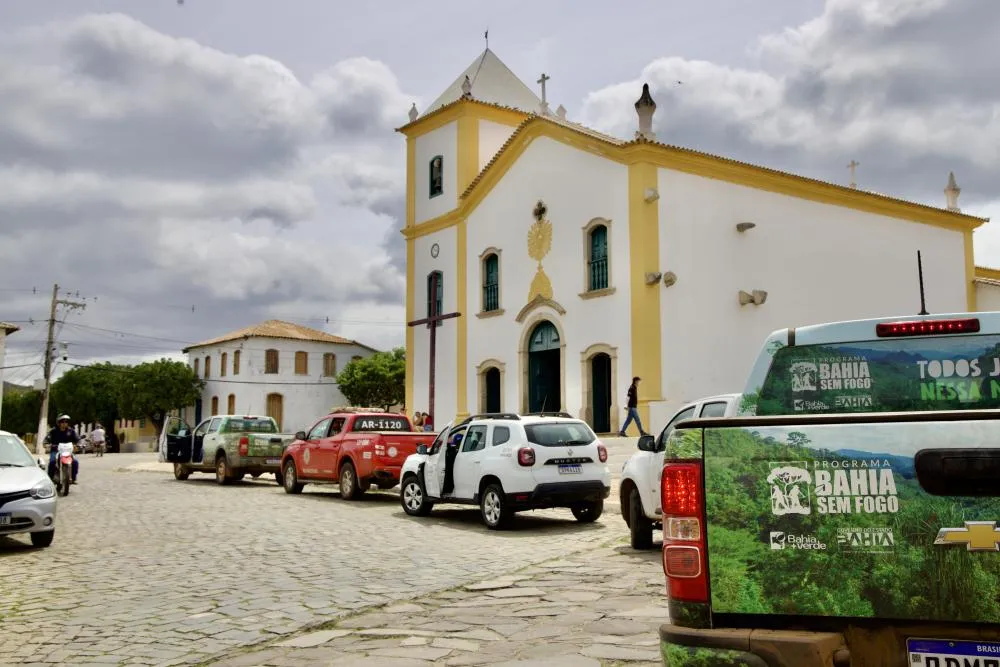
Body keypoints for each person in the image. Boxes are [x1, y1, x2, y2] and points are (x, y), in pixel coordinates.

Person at [44, 414, 80, 483]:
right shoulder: (53, 431)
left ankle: (73, 478)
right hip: (56, 451)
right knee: (52, 462)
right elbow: (47, 439)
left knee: (75, 462)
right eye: (62, 422)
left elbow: (78, 439)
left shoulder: (71, 431)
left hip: (68, 451)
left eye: (66, 422)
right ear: (59, 423)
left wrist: (79, 444)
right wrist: (46, 444)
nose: (64, 423)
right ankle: (50, 479)